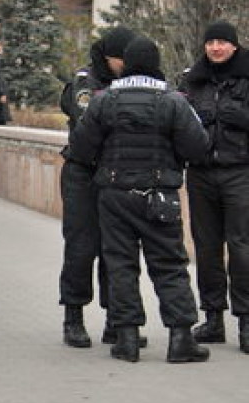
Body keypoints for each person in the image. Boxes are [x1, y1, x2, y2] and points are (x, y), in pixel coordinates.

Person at [67, 36, 212, 363]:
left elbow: (81, 147)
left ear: (127, 63)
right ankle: (180, 339)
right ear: (156, 64)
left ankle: (127, 338)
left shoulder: (105, 100)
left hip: (115, 194)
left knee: (120, 264)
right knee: (170, 265)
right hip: (160, 194)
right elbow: (198, 147)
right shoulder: (174, 101)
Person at [57, 26, 135, 348]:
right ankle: (73, 318)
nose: (126, 65)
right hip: (83, 174)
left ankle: (114, 321)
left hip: (117, 175)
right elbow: (90, 122)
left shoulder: (128, 81)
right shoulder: (85, 82)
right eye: (121, 59)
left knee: (115, 249)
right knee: (81, 246)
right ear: (108, 56)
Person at [179, 20, 249, 353]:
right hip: (202, 173)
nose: (216, 48)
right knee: (206, 248)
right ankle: (213, 318)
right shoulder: (193, 80)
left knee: (241, 247)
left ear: (234, 45)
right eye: (211, 42)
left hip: (241, 172)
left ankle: (246, 321)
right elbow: (179, 122)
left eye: (222, 42)